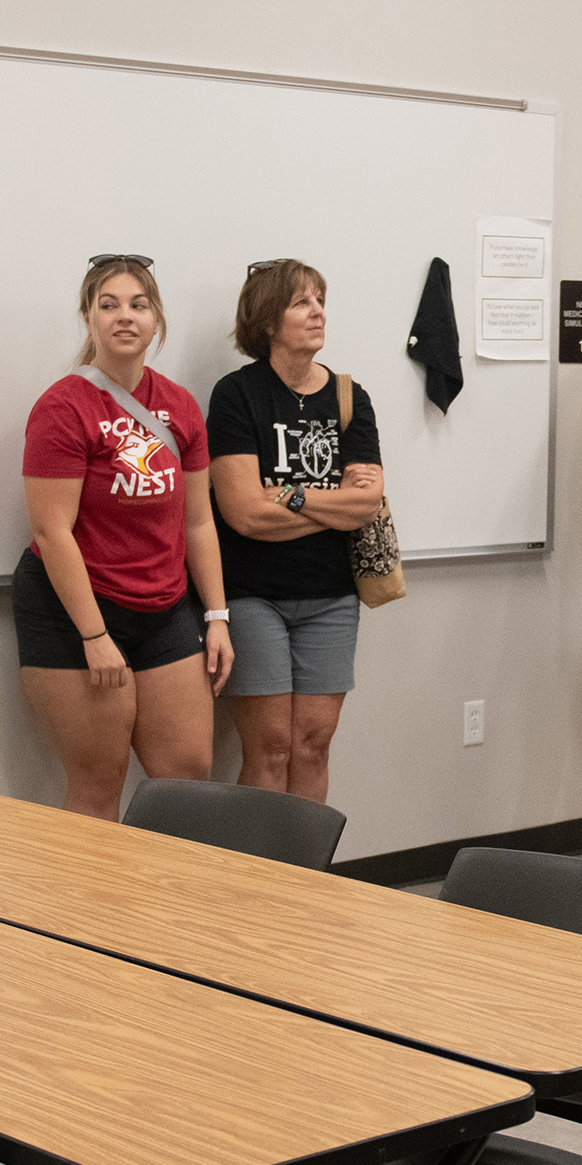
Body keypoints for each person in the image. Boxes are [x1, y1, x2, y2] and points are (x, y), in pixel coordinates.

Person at [16, 255, 233, 819]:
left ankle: (167, 906)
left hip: (163, 607)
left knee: (188, 775)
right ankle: (86, 908)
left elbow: (198, 521)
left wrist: (216, 616)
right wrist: (94, 634)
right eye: (108, 305)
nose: (124, 317)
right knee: (98, 782)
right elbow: (51, 530)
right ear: (87, 318)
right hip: (75, 611)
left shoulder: (180, 405)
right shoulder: (63, 407)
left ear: (156, 318)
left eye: (138, 305)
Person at [207, 259, 385, 804]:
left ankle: (305, 882)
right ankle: (254, 884)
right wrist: (331, 502)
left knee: (312, 745)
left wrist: (291, 493)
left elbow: (366, 505)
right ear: (267, 321)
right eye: (301, 302)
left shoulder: (351, 396)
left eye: (320, 300)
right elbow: (243, 514)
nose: (318, 313)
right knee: (270, 748)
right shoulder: (237, 395)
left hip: (332, 596)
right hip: (254, 595)